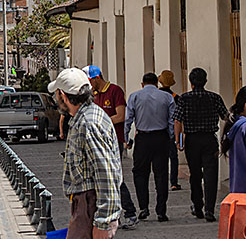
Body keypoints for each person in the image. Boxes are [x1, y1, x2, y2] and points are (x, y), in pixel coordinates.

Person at [49, 67, 123, 239]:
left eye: (56, 95)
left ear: (63, 95)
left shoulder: (88, 123)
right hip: (85, 203)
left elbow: (106, 173)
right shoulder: (83, 118)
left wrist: (103, 221)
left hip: (90, 203)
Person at [172, 67, 228, 222]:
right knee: (211, 175)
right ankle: (209, 209)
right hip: (210, 139)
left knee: (195, 175)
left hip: (192, 141)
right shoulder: (214, 98)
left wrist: (179, 141)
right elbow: (226, 117)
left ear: (191, 83)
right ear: (205, 81)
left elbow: (178, 121)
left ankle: (198, 206)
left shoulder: (184, 98)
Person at [86, 65, 137, 229]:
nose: (89, 85)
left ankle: (129, 212)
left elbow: (121, 115)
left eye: (90, 81)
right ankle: (112, 215)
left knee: (114, 177)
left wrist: (100, 122)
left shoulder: (115, 91)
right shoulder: (93, 95)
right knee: (102, 179)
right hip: (97, 142)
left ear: (97, 78)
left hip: (113, 142)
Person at [125, 72, 174, 222]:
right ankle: (161, 211)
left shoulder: (134, 96)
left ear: (142, 84)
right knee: (161, 174)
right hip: (161, 138)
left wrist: (126, 139)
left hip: (143, 139)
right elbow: (172, 120)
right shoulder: (167, 97)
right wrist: (170, 136)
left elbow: (128, 119)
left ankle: (143, 207)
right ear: (156, 84)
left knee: (140, 173)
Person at [157, 71, 182, 192]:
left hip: (158, 130)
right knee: (173, 157)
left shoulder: (156, 95)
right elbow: (179, 119)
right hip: (171, 131)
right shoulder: (176, 97)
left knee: (160, 158)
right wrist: (179, 138)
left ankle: (160, 181)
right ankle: (174, 182)